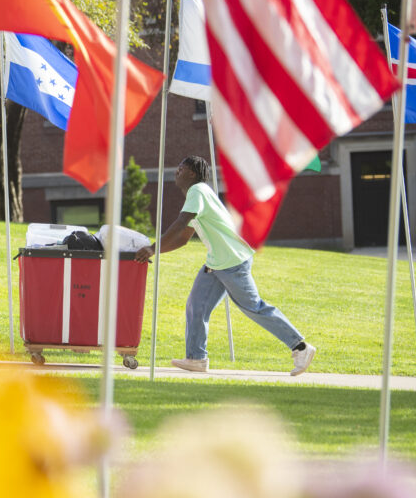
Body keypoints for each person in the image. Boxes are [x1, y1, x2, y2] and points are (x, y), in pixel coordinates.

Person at [135, 156, 316, 375]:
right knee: (196, 306)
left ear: (192, 173)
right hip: (217, 262)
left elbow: (181, 223)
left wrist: (153, 248)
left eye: (181, 169)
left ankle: (301, 347)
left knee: (254, 307)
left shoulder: (198, 191)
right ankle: (196, 358)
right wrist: (156, 252)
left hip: (232, 261)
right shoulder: (200, 195)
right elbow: (183, 238)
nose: (177, 172)